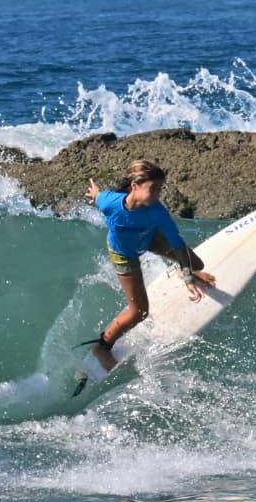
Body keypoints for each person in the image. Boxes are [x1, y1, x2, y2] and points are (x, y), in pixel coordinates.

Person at [83, 159, 216, 372]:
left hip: (150, 239)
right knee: (139, 312)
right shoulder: (110, 203)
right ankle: (103, 346)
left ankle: (182, 273)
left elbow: (178, 245)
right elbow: (98, 197)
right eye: (153, 188)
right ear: (134, 186)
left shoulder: (158, 211)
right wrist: (95, 194)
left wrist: (189, 277)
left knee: (195, 263)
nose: (157, 195)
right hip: (123, 254)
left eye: (160, 189)